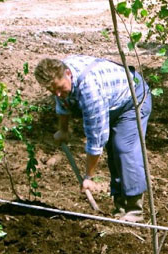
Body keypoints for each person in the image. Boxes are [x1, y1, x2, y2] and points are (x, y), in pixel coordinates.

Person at [34, 56, 152, 222]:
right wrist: (63, 130)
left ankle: (134, 209)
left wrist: (89, 178)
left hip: (134, 98)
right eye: (53, 91)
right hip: (113, 100)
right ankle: (120, 206)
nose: (58, 94)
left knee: (123, 148)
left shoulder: (90, 90)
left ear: (68, 73)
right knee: (114, 151)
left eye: (60, 88)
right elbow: (62, 102)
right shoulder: (60, 77)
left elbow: (96, 139)